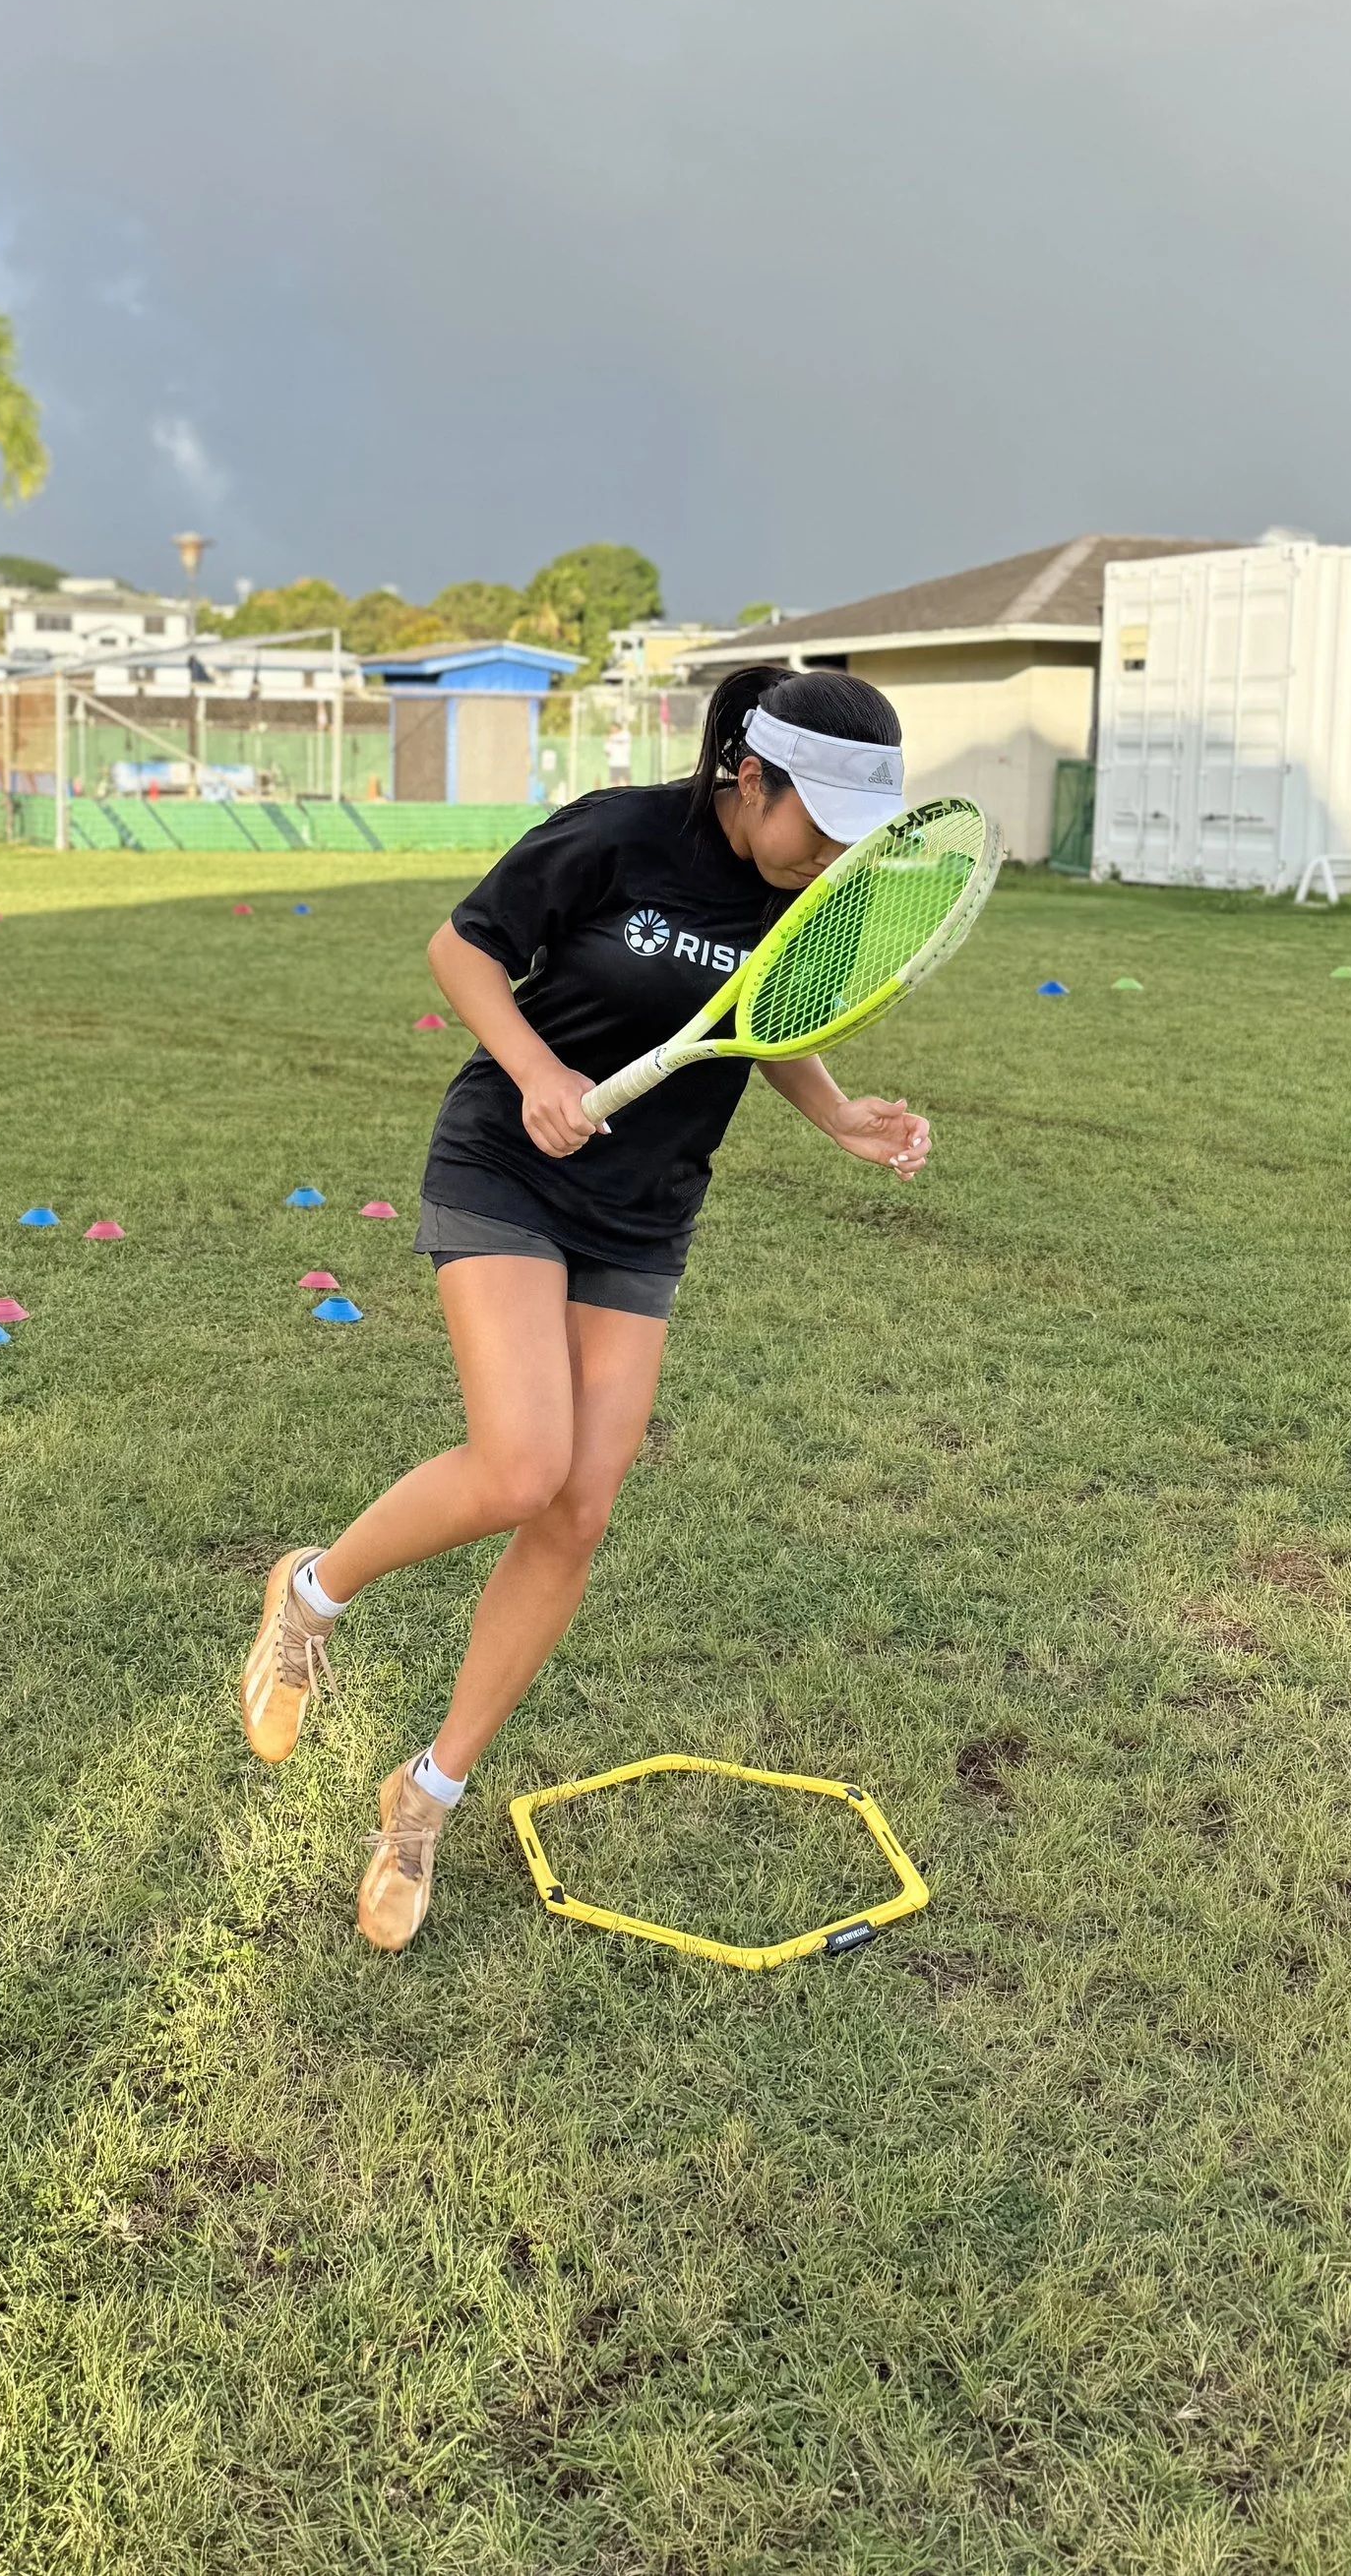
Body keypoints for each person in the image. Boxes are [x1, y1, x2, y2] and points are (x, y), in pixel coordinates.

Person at [238, 663, 934, 1950]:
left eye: (854, 830)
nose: (833, 849)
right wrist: (539, 1066)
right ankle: (312, 1597)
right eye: (816, 818)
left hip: (643, 1206)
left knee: (579, 1506)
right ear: (747, 776)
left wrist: (837, 1113)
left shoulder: (809, 894)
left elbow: (766, 1020)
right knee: (518, 1465)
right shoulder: (616, 834)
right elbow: (462, 950)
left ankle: (426, 1794)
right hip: (510, 1159)